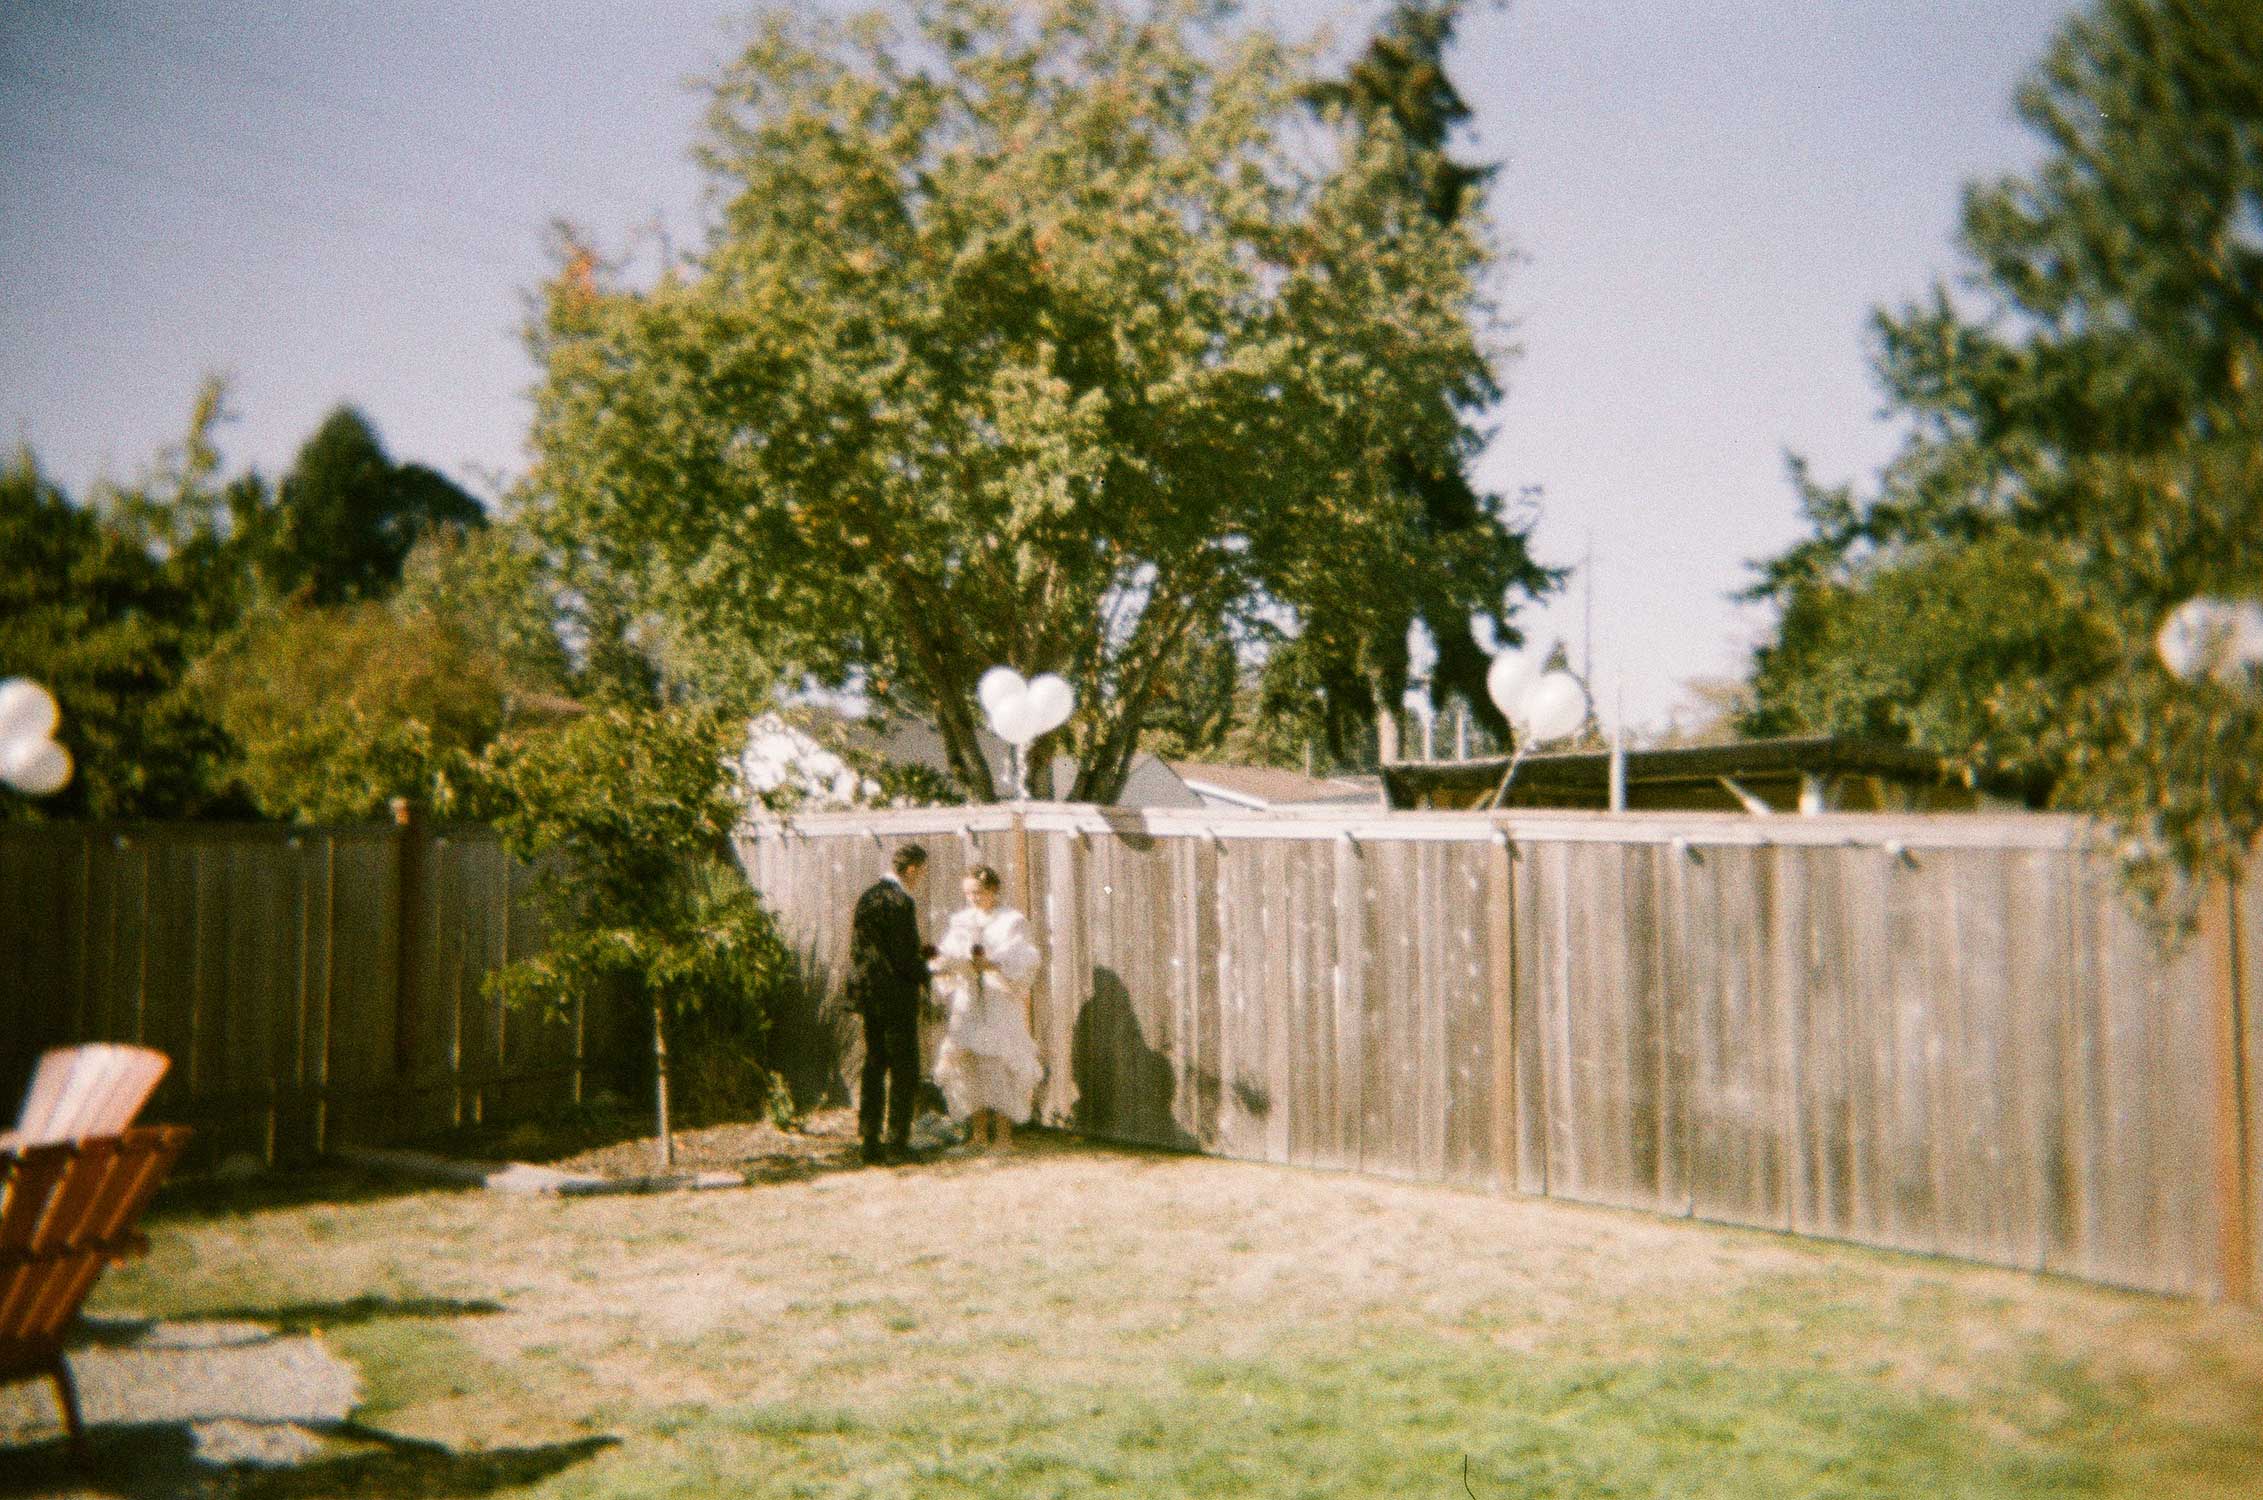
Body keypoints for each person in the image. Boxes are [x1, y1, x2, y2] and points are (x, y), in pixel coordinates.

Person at [929, 864, 1042, 1150]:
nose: (973, 898)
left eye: (978, 892)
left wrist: (992, 964)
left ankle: (1003, 1136)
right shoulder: (961, 921)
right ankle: (978, 1134)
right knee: (968, 1063)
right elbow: (948, 953)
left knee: (1000, 1064)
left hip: (997, 1000)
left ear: (993, 890)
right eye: (968, 893)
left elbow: (1023, 958)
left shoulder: (1012, 921)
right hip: (968, 999)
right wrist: (945, 962)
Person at [846, 843, 931, 1165]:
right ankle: (897, 1142)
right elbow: (902, 957)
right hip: (895, 994)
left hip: (870, 993)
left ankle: (869, 1140)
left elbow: (868, 949)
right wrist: (927, 971)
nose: (921, 878)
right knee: (904, 1067)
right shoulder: (898, 901)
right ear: (911, 869)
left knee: (874, 1063)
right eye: (921, 872)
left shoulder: (869, 897)